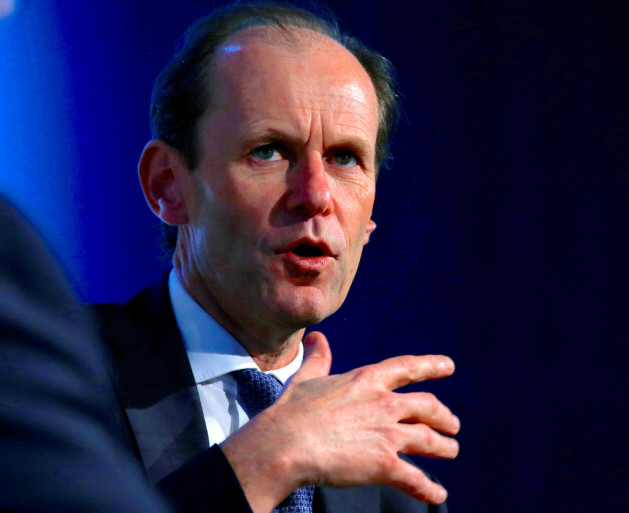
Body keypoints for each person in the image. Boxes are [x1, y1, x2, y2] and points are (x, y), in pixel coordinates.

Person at [93, 3, 460, 512]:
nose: (315, 194)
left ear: (370, 221)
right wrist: (271, 456)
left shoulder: (393, 494)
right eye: (268, 150)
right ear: (168, 185)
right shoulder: (48, 381)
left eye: (345, 158)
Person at [0, 198, 172, 513]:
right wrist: (253, 469)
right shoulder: (63, 367)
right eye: (266, 152)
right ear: (168, 181)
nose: (296, 192)